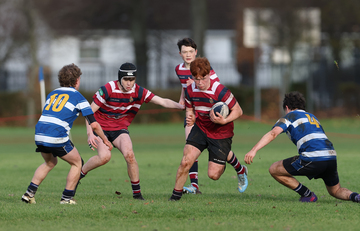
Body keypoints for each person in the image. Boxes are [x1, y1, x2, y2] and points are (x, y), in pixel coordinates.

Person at [79, 62, 184, 200]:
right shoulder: (108, 89)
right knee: (104, 157)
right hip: (100, 129)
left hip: (119, 129)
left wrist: (182, 107)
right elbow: (89, 112)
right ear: (120, 78)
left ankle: (137, 194)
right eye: (126, 80)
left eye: (132, 80)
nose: (129, 83)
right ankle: (79, 174)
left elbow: (162, 101)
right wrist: (90, 134)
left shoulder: (139, 91)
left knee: (130, 155)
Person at [244, 91, 360, 203]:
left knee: (274, 169)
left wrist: (253, 150)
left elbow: (273, 133)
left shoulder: (289, 116)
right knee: (335, 190)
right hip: (330, 156)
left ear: (287, 107)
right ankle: (356, 197)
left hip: (313, 157)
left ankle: (307, 195)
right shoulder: (312, 117)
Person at [21, 63, 113, 205]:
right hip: (56, 135)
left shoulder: (52, 93)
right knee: (77, 163)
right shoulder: (79, 97)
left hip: (39, 133)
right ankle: (66, 198)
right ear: (77, 80)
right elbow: (94, 124)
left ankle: (29, 194)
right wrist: (105, 140)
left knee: (50, 162)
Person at [175, 38, 248, 195]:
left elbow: (216, 97)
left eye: (190, 52)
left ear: (195, 52)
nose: (187, 55)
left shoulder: (211, 78)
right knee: (188, 153)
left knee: (214, 172)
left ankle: (240, 169)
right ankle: (194, 185)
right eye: (184, 52)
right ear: (180, 54)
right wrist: (189, 108)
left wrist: (223, 117)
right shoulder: (179, 69)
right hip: (198, 117)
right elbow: (186, 88)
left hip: (215, 122)